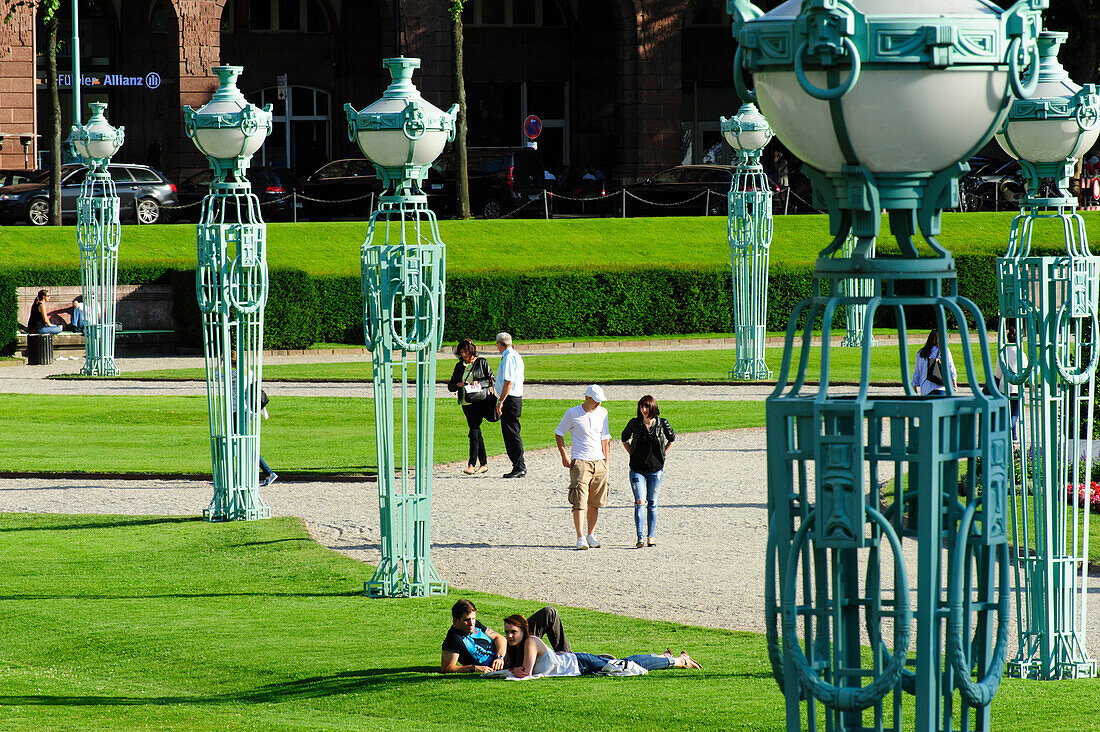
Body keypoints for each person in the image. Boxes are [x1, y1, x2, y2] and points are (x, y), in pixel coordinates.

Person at [500, 614, 700, 678]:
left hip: (578, 663)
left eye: (513, 632)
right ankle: (658, 656)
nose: (509, 636)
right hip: (576, 664)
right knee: (616, 663)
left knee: (626, 665)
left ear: (524, 631)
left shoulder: (531, 642)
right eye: (507, 632)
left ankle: (676, 660)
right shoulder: (518, 646)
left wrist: (514, 669)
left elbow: (525, 673)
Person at [441, 599, 571, 673]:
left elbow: (499, 638)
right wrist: (474, 668)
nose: (471, 623)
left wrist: (499, 656)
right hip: (511, 661)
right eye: (467, 620)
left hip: (509, 648)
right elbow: (447, 668)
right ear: (455, 621)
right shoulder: (453, 639)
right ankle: (567, 660)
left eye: (473, 619)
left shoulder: (475, 625)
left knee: (549, 612)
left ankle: (566, 655)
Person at [555, 384, 611, 550]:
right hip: (580, 461)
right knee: (579, 501)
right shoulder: (572, 413)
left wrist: (606, 463)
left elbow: (605, 438)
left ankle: (591, 535)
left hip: (599, 462)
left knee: (595, 501)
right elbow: (559, 433)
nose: (599, 404)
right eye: (596, 401)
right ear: (587, 398)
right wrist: (564, 455)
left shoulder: (603, 413)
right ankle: (580, 537)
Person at [621, 395, 676, 548]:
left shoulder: (662, 423)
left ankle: (651, 536)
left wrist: (663, 454)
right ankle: (640, 537)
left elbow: (672, 438)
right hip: (637, 469)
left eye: (646, 407)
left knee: (652, 503)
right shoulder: (635, 423)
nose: (643, 410)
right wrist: (631, 452)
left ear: (652, 408)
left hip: (655, 469)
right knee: (640, 502)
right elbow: (624, 438)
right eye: (641, 407)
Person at [447, 339, 495, 475]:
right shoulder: (459, 366)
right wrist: (458, 385)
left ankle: (471, 464)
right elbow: (450, 386)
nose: (464, 354)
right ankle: (484, 464)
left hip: (479, 401)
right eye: (461, 352)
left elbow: (491, 380)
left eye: (466, 351)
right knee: (476, 433)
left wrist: (477, 382)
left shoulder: (482, 362)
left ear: (472, 350)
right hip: (465, 403)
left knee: (473, 431)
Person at [494, 332, 526, 478]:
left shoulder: (508, 358)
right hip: (515, 397)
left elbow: (508, 381)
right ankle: (518, 465)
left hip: (510, 399)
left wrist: (501, 400)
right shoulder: (516, 355)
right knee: (512, 431)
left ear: (499, 344)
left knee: (511, 433)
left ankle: (519, 465)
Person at [995, 319, 1026, 439]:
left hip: (1004, 385)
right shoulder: (1021, 354)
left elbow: (998, 373)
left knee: (1007, 411)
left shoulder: (1002, 353)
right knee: (1015, 413)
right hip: (1017, 386)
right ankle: (1009, 430)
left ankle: (1013, 435)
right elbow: (1025, 370)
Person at [911, 328, 956, 396]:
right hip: (941, 387)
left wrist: (914, 387)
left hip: (925, 389)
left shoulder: (921, 353)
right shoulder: (944, 350)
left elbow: (917, 372)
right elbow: (951, 368)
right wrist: (954, 383)